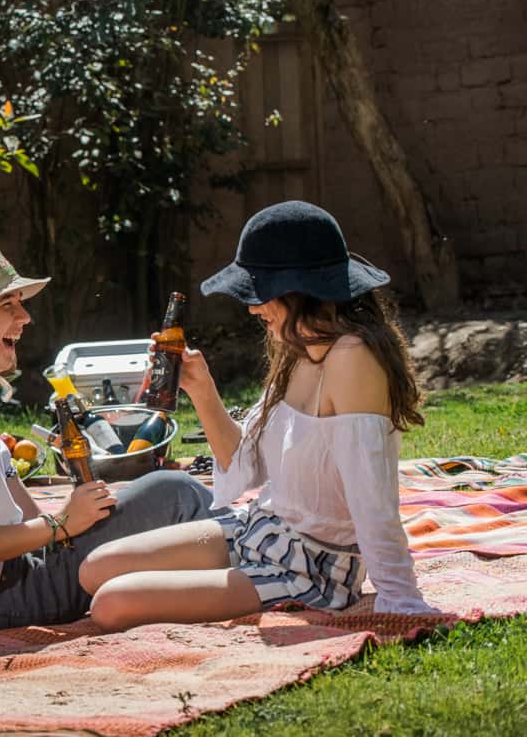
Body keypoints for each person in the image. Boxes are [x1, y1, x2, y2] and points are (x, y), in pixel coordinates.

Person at [79, 200, 438, 631]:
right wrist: (201, 388)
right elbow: (245, 465)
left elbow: (371, 497)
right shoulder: (299, 350)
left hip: (310, 565)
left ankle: (204, 590)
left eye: (259, 293)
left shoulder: (353, 358)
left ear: (298, 290)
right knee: (95, 569)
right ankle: (202, 587)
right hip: (259, 528)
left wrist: (401, 599)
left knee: (111, 604)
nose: (251, 308)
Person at [0, 243, 215, 637]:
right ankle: (262, 566)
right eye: (9, 305)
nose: (25, 317)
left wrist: (75, 527)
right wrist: (60, 525)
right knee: (174, 493)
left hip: (0, 579)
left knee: (144, 498)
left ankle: (244, 559)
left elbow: (21, 504)